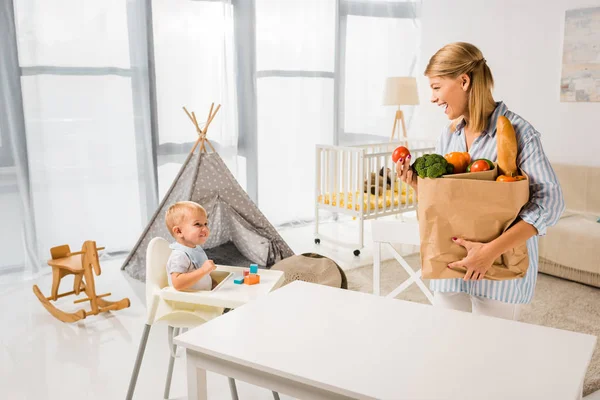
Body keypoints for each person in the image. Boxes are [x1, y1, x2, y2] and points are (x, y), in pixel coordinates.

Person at [396, 42, 565, 320]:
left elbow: (551, 203)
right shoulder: (448, 135)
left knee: (492, 354)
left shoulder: (519, 132)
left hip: (498, 268)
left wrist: (488, 252)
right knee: (450, 343)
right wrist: (417, 184)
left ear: (463, 81)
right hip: (449, 263)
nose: (433, 98)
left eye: (437, 87)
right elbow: (448, 199)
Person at [164, 201, 217, 291]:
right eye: (197, 224)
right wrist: (203, 270)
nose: (205, 229)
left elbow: (201, 274)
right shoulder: (180, 255)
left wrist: (213, 283)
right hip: (189, 302)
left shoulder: (195, 248)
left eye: (205, 224)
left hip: (203, 297)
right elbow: (177, 283)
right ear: (179, 231)